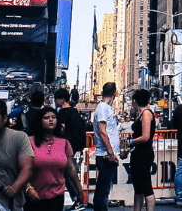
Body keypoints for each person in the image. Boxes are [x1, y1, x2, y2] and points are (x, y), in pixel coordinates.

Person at [23, 107, 83, 211]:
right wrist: (28, 188)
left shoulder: (64, 143)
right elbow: (22, 169)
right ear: (40, 121)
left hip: (57, 196)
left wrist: (80, 191)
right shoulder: (29, 142)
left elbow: (71, 168)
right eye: (46, 118)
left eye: (53, 117)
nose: (51, 120)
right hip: (34, 195)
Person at [91, 83, 121, 211]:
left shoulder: (105, 108)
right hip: (105, 155)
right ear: (114, 93)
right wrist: (110, 153)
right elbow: (103, 131)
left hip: (107, 154)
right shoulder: (103, 108)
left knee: (103, 188)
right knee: (103, 190)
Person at [127, 90, 156, 211]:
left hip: (144, 153)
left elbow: (145, 136)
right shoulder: (141, 114)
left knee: (146, 185)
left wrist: (131, 141)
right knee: (138, 186)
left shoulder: (146, 114)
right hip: (138, 153)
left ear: (135, 101)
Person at [53, 88, 86, 158]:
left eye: (56, 99)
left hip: (67, 146)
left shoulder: (63, 112)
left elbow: (62, 129)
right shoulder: (74, 111)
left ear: (62, 100)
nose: (55, 101)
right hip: (77, 145)